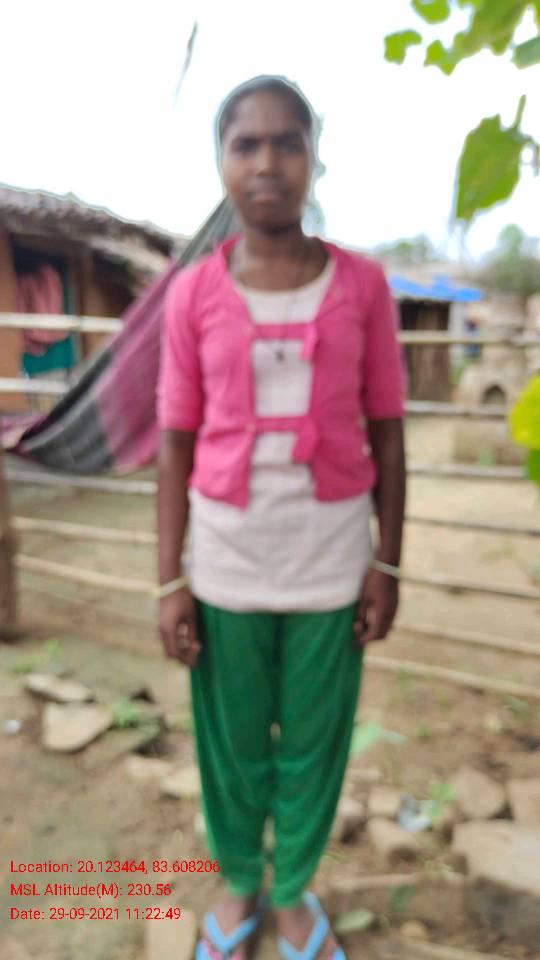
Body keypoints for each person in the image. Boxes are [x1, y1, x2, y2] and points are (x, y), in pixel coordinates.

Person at [156, 75, 406, 960]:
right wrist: (169, 579)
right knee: (231, 745)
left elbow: (388, 432)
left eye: (287, 142)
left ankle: (293, 892)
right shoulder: (192, 294)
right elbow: (175, 441)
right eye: (246, 144)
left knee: (314, 743)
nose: (267, 162)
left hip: (330, 564)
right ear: (221, 162)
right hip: (225, 564)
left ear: (312, 157)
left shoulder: (362, 285)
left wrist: (387, 563)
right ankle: (240, 882)